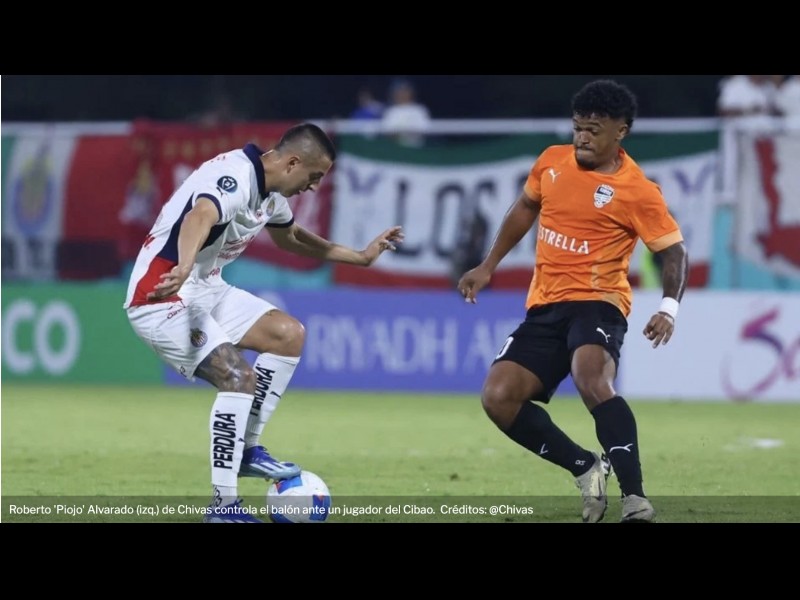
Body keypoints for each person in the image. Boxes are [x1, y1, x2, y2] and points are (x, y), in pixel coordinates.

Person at [123, 123, 403, 523]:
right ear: (292, 163)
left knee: (288, 335)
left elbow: (292, 238)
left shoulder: (270, 194)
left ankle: (246, 450)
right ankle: (223, 508)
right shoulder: (234, 176)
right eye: (314, 177)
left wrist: (358, 256)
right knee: (238, 378)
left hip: (206, 288)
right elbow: (199, 216)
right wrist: (183, 267)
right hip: (160, 296)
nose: (313, 187)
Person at [457, 80, 687, 523]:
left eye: (593, 130)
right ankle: (585, 468)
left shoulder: (638, 190)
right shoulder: (552, 161)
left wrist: (667, 308)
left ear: (620, 131)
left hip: (599, 302)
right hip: (545, 305)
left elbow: (674, 252)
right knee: (498, 397)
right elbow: (525, 208)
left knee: (591, 378)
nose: (582, 137)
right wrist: (488, 265)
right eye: (578, 127)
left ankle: (635, 498)